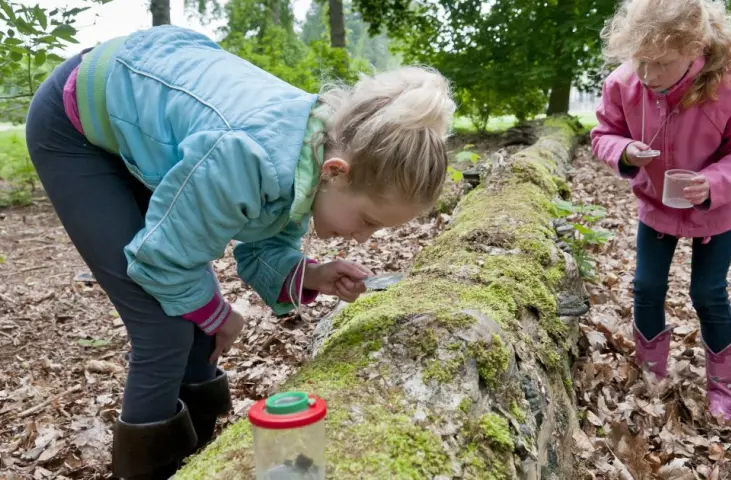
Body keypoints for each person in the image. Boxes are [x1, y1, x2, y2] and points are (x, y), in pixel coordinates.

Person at [25, 25, 455, 479]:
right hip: (74, 119)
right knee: (162, 328)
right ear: (336, 171)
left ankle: (199, 458)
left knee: (192, 318)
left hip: (145, 114)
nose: (365, 238)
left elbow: (264, 244)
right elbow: (162, 260)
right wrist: (217, 314)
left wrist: (313, 274)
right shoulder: (251, 156)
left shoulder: (312, 153)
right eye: (368, 221)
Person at [591, 0, 731, 424]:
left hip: (715, 210)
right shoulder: (624, 84)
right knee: (646, 286)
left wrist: (713, 183)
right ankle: (652, 372)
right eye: (641, 61)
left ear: (695, 47)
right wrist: (624, 150)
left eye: (662, 63)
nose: (649, 75)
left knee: (708, 293)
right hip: (657, 205)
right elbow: (603, 133)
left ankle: (723, 387)